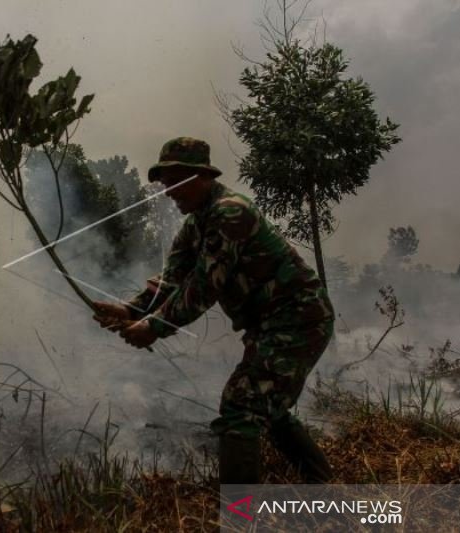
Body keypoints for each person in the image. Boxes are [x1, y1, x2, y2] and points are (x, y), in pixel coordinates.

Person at [93, 137, 335, 484]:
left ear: (200, 177)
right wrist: (129, 311)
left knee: (242, 408)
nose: (168, 192)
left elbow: (204, 286)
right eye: (165, 184)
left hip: (299, 318)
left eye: (174, 182)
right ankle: (323, 491)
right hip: (273, 324)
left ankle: (239, 518)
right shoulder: (196, 224)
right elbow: (171, 279)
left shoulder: (230, 212)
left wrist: (154, 327)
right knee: (270, 409)